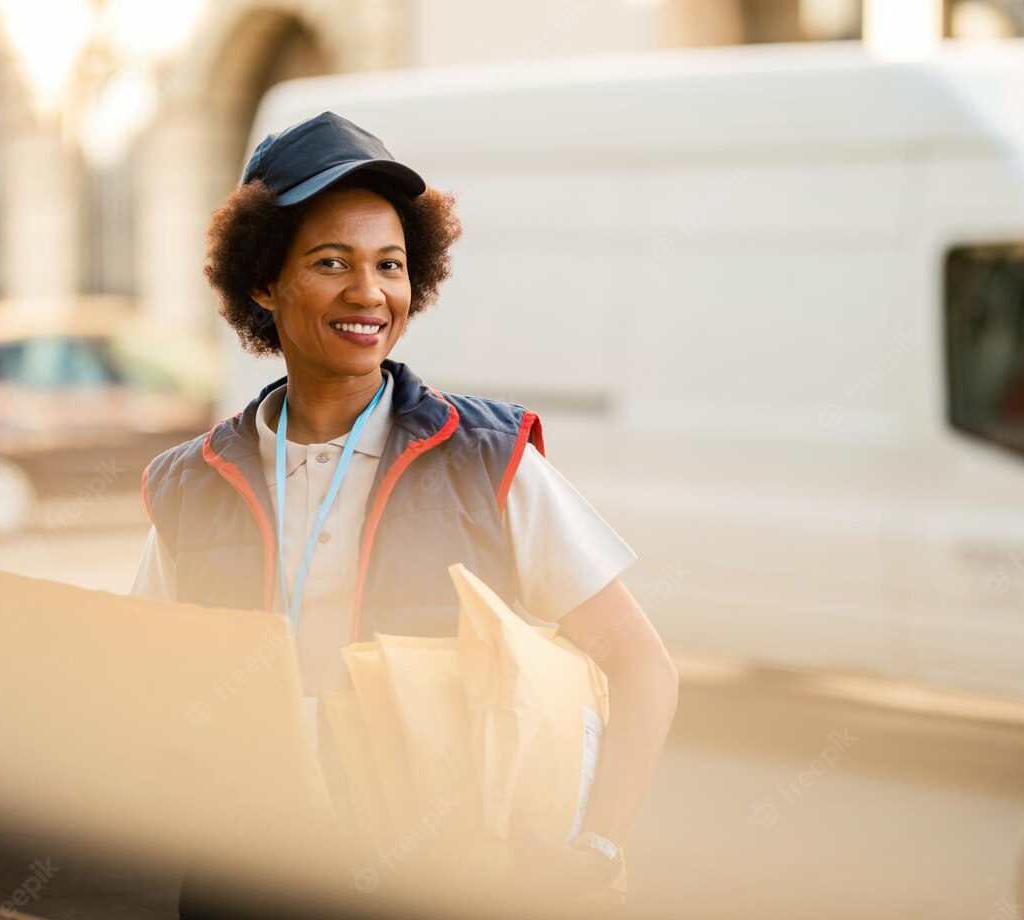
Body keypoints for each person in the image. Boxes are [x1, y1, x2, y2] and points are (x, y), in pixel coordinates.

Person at [130, 111, 679, 917]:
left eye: (390, 265)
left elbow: (642, 667)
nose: (369, 293)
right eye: (330, 262)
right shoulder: (192, 482)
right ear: (262, 281)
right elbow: (145, 687)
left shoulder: (486, 459)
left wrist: (596, 843)